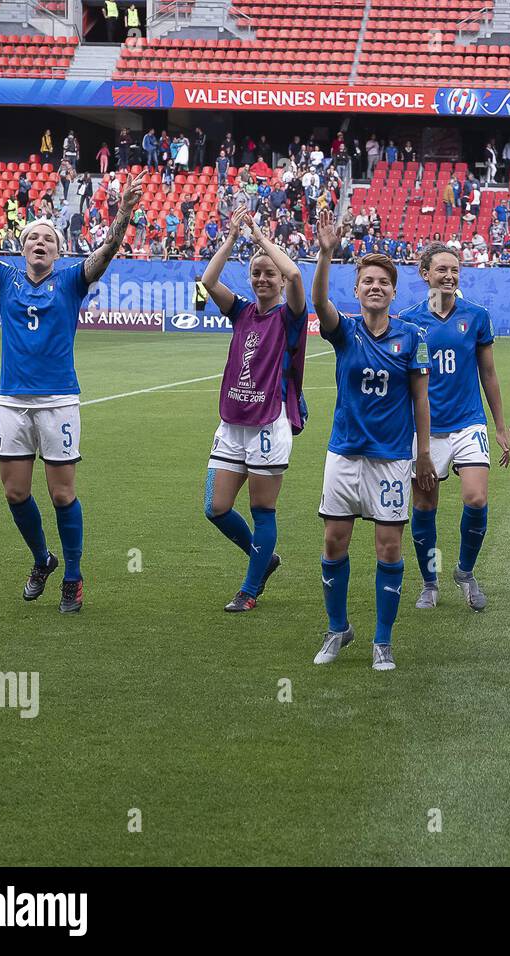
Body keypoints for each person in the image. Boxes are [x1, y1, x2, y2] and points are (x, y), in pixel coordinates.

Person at [0, 162, 145, 612]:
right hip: (11, 401)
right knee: (15, 493)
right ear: (22, 246)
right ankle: (41, 560)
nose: (40, 242)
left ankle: (73, 574)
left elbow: (106, 251)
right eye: (33, 237)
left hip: (58, 403)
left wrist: (123, 215)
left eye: (48, 238)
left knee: (62, 493)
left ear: (59, 249)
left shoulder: (71, 280)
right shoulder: (3, 277)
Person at [310, 210, 436, 671]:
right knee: (334, 543)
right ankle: (337, 628)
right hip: (344, 453)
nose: (375, 287)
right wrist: (326, 253)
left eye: (383, 281)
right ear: (358, 288)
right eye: (368, 281)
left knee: (388, 548)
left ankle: (383, 640)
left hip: (390, 460)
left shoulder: (413, 337)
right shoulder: (345, 332)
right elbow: (318, 301)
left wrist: (423, 454)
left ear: (393, 290)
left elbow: (421, 400)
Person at [198, 209, 308, 612]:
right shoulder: (242, 311)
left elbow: (296, 276)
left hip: (268, 423)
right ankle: (265, 558)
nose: (263, 278)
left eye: (269, 273)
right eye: (256, 273)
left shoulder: (290, 317)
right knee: (216, 507)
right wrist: (230, 239)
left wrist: (261, 238)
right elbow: (208, 281)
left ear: (278, 280)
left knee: (262, 508)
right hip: (233, 421)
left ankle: (249, 589)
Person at [399, 243, 510, 612]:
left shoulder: (476, 316)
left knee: (476, 499)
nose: (449, 276)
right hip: (425, 429)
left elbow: (489, 374)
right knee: (425, 505)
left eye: (455, 270)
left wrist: (499, 425)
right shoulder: (408, 321)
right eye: (442, 269)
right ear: (424, 273)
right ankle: (430, 581)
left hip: (468, 422)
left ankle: (464, 571)